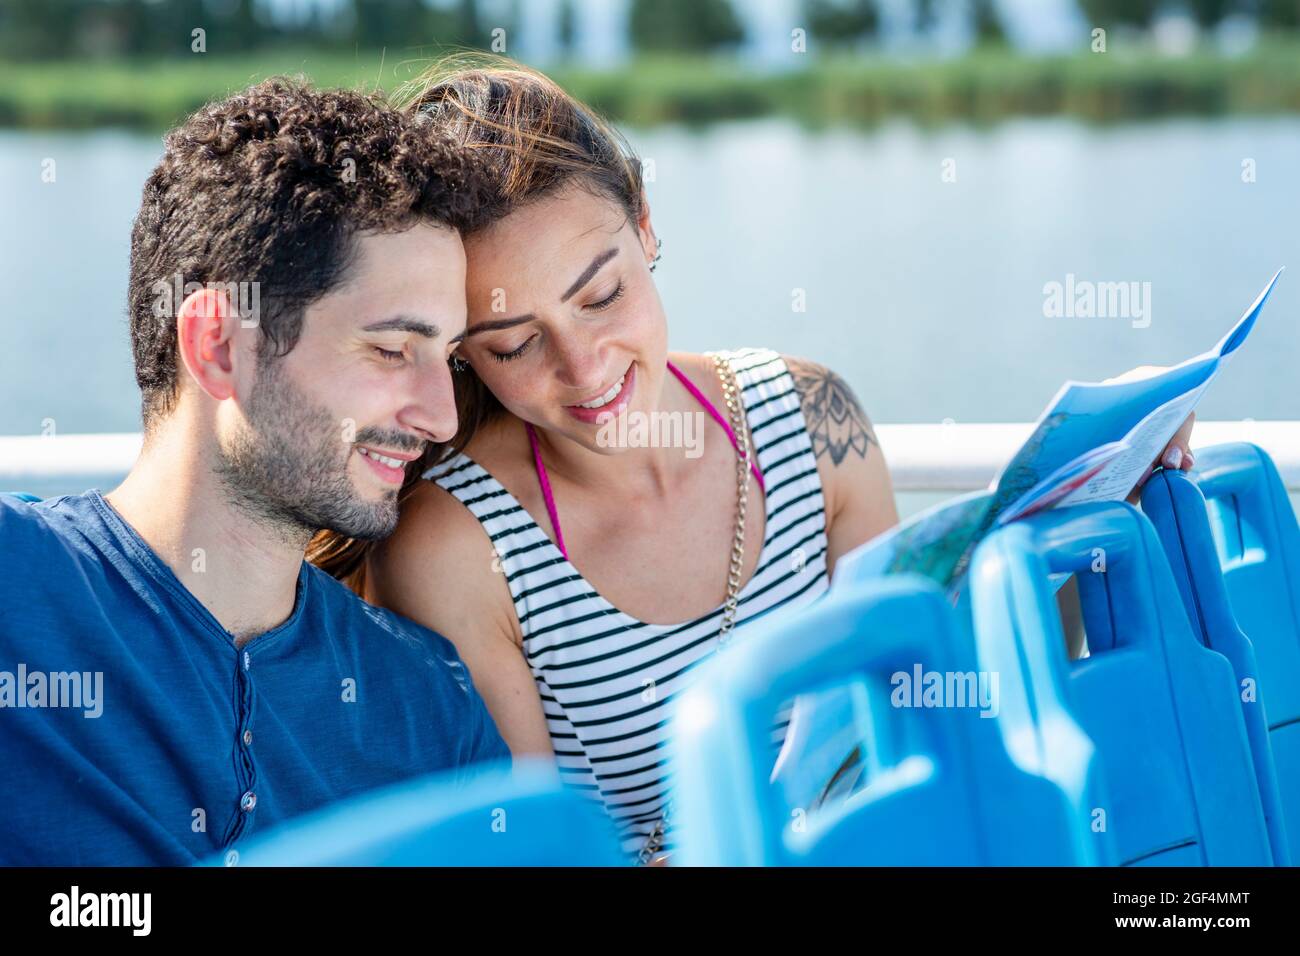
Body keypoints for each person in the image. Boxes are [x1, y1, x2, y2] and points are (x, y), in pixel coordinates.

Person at [310, 59, 1197, 863]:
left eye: (604, 295)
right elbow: (530, 852)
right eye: (512, 345)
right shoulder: (454, 549)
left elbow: (923, 713)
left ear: (647, 226)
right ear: (461, 349)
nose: (585, 370)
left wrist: (1109, 499)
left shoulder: (815, 425)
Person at [0, 79, 509, 865]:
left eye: (448, 359)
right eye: (389, 349)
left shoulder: (430, 709)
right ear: (217, 346)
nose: (441, 416)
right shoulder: (17, 591)